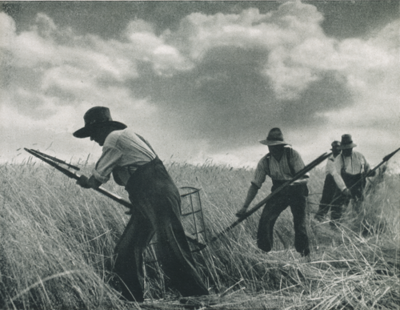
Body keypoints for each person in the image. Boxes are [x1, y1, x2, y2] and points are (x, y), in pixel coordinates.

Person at [73, 106, 208, 302]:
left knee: (171, 249)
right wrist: (139, 202)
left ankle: (200, 299)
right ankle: (132, 302)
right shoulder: (129, 136)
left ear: (103, 127)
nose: (92, 139)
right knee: (126, 250)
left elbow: (97, 178)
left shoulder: (114, 139)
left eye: (92, 133)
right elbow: (135, 174)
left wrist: (86, 182)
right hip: (148, 198)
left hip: (158, 196)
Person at [236, 128, 310, 257]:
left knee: (299, 224)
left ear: (282, 146)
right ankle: (264, 253)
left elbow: (304, 177)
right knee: (265, 220)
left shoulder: (292, 155)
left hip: (297, 190)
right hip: (279, 191)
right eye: (270, 147)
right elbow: (255, 185)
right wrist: (245, 207)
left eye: (276, 146)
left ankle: (304, 254)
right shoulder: (265, 161)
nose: (273, 149)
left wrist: (292, 184)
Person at [329, 134, 375, 226]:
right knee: (337, 207)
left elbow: (368, 169)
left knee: (359, 208)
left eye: (349, 148)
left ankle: (359, 226)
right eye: (345, 148)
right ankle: (335, 227)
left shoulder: (360, 156)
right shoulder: (339, 159)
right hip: (345, 185)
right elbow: (336, 175)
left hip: (358, 186)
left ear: (351, 147)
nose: (347, 150)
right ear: (342, 148)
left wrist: (371, 172)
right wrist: (344, 189)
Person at [314, 141, 341, 222]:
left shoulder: (342, 158)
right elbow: (334, 174)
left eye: (339, 148)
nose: (338, 150)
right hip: (330, 182)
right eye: (336, 148)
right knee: (326, 201)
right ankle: (318, 220)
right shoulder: (331, 159)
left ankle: (334, 223)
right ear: (333, 150)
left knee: (337, 203)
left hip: (339, 181)